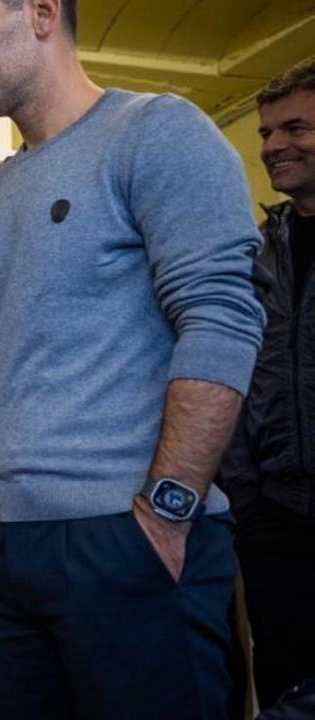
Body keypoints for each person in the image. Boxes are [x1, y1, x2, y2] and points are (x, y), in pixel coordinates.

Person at [0, 0, 265, 720]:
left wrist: (167, 510)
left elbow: (221, 319)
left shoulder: (154, 131)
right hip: (10, 548)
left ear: (42, 10)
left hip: (128, 537)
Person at [220, 58, 315, 710]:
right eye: (265, 133)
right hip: (274, 518)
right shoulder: (260, 246)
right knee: (282, 676)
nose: (273, 146)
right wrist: (245, 494)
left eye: (295, 128)